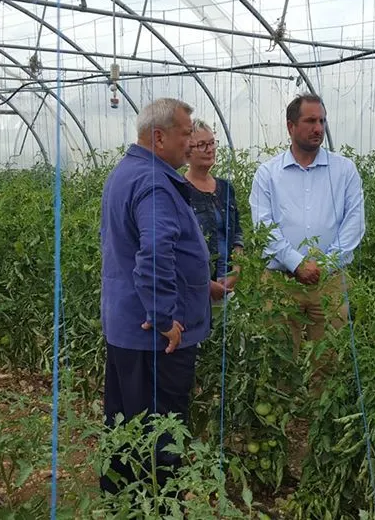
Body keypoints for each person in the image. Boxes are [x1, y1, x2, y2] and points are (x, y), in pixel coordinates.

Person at [98, 98, 210, 493]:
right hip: (155, 337)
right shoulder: (153, 181)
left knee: (125, 423)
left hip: (127, 326)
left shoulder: (127, 172)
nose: (192, 141)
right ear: (159, 137)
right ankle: (160, 505)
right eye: (185, 133)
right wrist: (165, 318)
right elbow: (155, 253)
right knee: (162, 432)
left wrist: (201, 284)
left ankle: (121, 500)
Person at [249, 93, 365, 379]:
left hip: (330, 282)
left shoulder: (344, 170)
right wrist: (296, 263)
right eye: (310, 121)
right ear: (290, 127)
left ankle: (321, 418)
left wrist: (324, 264)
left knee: (329, 357)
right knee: (279, 354)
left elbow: (354, 223)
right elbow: (263, 226)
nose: (318, 128)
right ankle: (282, 415)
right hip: (281, 281)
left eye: (322, 121)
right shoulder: (268, 173)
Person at [184, 119, 243, 302]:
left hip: (227, 286)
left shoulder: (225, 188)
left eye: (211, 143)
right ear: (187, 151)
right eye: (202, 145)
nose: (210, 149)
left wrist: (236, 270)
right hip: (194, 289)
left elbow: (237, 235)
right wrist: (206, 285)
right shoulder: (179, 190)